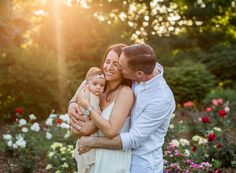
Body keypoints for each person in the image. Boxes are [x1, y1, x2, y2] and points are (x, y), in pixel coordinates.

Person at [69, 43, 176, 173]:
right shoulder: (136, 68)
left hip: (141, 164)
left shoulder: (160, 99)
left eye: (120, 66)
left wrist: (90, 141)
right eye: (108, 62)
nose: (110, 67)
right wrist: (73, 103)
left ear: (139, 74)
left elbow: (132, 138)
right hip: (96, 158)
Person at [69, 43, 134, 173]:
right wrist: (71, 105)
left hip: (112, 161)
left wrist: (87, 106)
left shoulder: (125, 93)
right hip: (89, 157)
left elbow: (110, 131)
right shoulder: (93, 82)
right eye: (107, 61)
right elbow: (74, 122)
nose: (109, 67)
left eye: (116, 64)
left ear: (124, 68)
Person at [73, 67, 106, 173]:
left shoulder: (93, 94)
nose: (98, 88)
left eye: (101, 85)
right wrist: (97, 114)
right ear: (87, 83)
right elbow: (86, 112)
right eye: (95, 84)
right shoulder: (87, 95)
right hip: (87, 127)